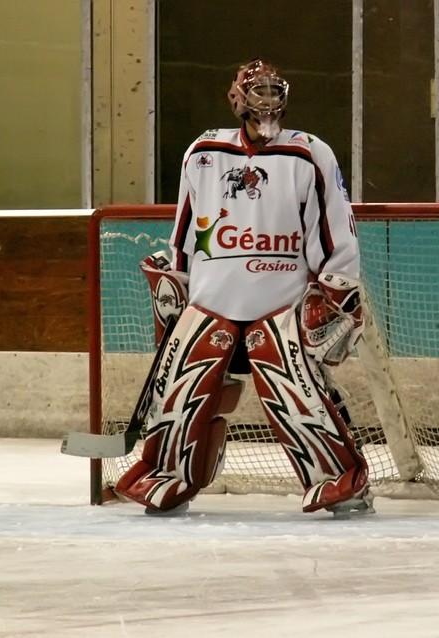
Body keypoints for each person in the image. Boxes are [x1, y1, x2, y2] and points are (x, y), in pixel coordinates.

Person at [115, 58, 372, 517]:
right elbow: (184, 232)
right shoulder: (204, 152)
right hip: (210, 302)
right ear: (237, 99)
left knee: (297, 397)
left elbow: (335, 229)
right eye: (259, 92)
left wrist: (337, 289)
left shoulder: (309, 154)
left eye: (275, 91)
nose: (267, 102)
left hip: (280, 304)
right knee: (179, 396)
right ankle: (170, 476)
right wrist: (177, 282)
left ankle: (342, 482)